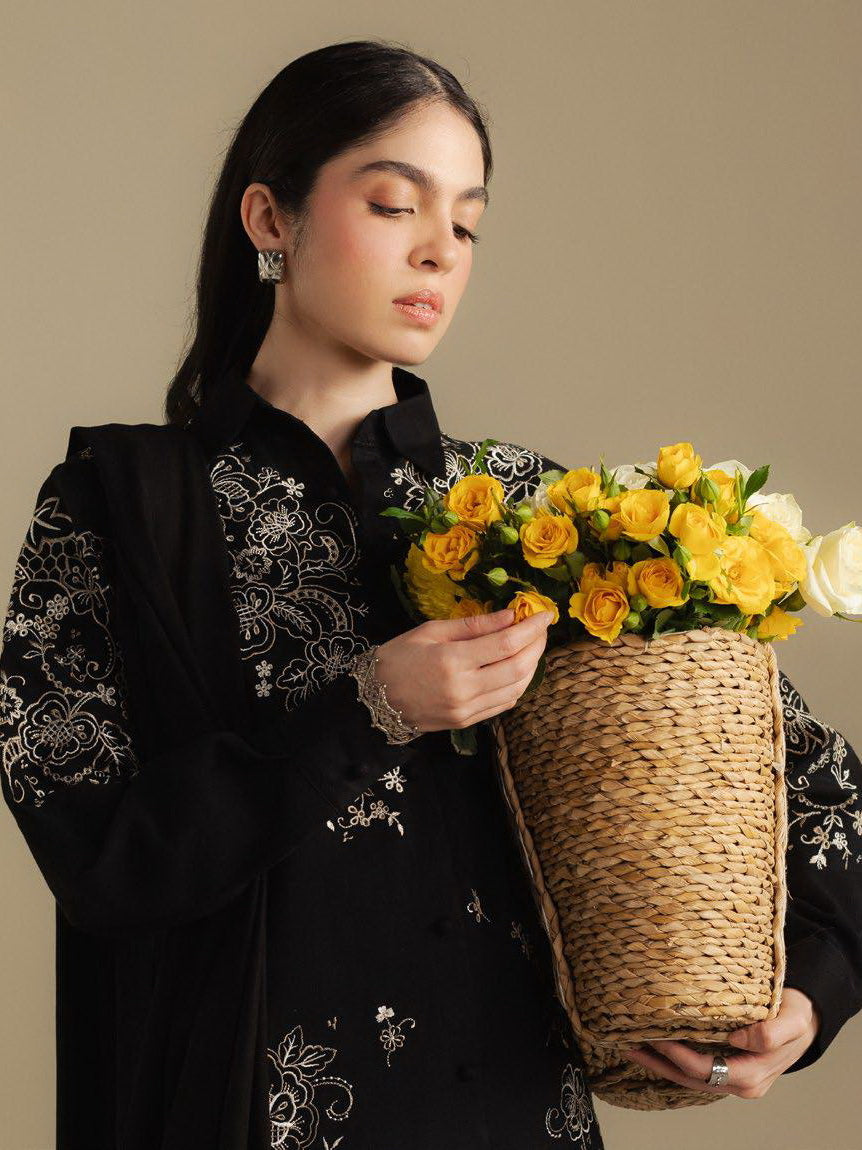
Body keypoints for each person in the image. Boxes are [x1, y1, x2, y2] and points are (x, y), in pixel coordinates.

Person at [1, 37, 860, 1150]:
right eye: (394, 205)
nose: (438, 252)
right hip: (241, 1110)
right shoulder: (119, 506)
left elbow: (804, 782)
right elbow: (101, 861)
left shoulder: (542, 519)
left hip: (511, 1114)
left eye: (466, 224)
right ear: (270, 218)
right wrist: (368, 709)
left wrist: (809, 998)